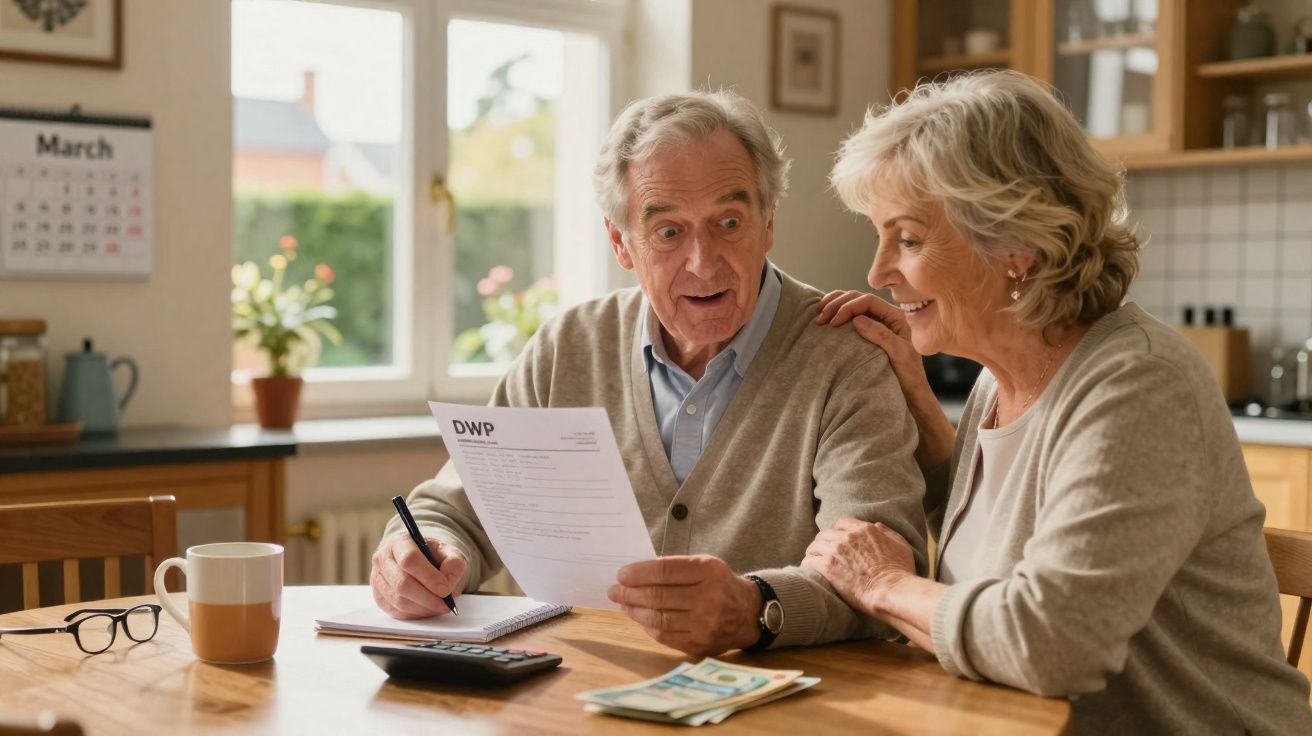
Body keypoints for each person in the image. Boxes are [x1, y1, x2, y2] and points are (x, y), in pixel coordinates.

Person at [803, 70, 1312, 734]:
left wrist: (879, 584)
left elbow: (1051, 645)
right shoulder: (998, 381)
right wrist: (918, 400)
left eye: (907, 238)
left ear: (1014, 244)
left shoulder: (1139, 386)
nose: (876, 272)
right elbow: (1006, 523)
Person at [370, 90, 928, 658]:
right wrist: (419, 556)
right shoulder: (567, 348)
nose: (703, 262)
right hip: (570, 695)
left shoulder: (845, 357)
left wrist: (754, 607)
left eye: (729, 222)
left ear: (768, 225)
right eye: (668, 232)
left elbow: (883, 573)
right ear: (621, 243)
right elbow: (453, 510)